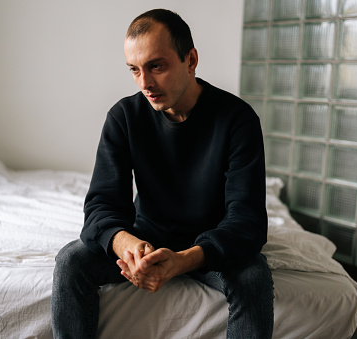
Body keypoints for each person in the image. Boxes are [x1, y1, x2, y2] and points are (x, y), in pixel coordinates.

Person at [51, 8, 274, 339]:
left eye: (156, 66)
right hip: (147, 236)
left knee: (254, 277)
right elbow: (101, 205)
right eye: (134, 70)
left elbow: (248, 222)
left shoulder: (237, 120)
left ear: (191, 59)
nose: (145, 83)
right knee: (71, 261)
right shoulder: (124, 117)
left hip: (212, 242)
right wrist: (127, 244)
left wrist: (183, 261)